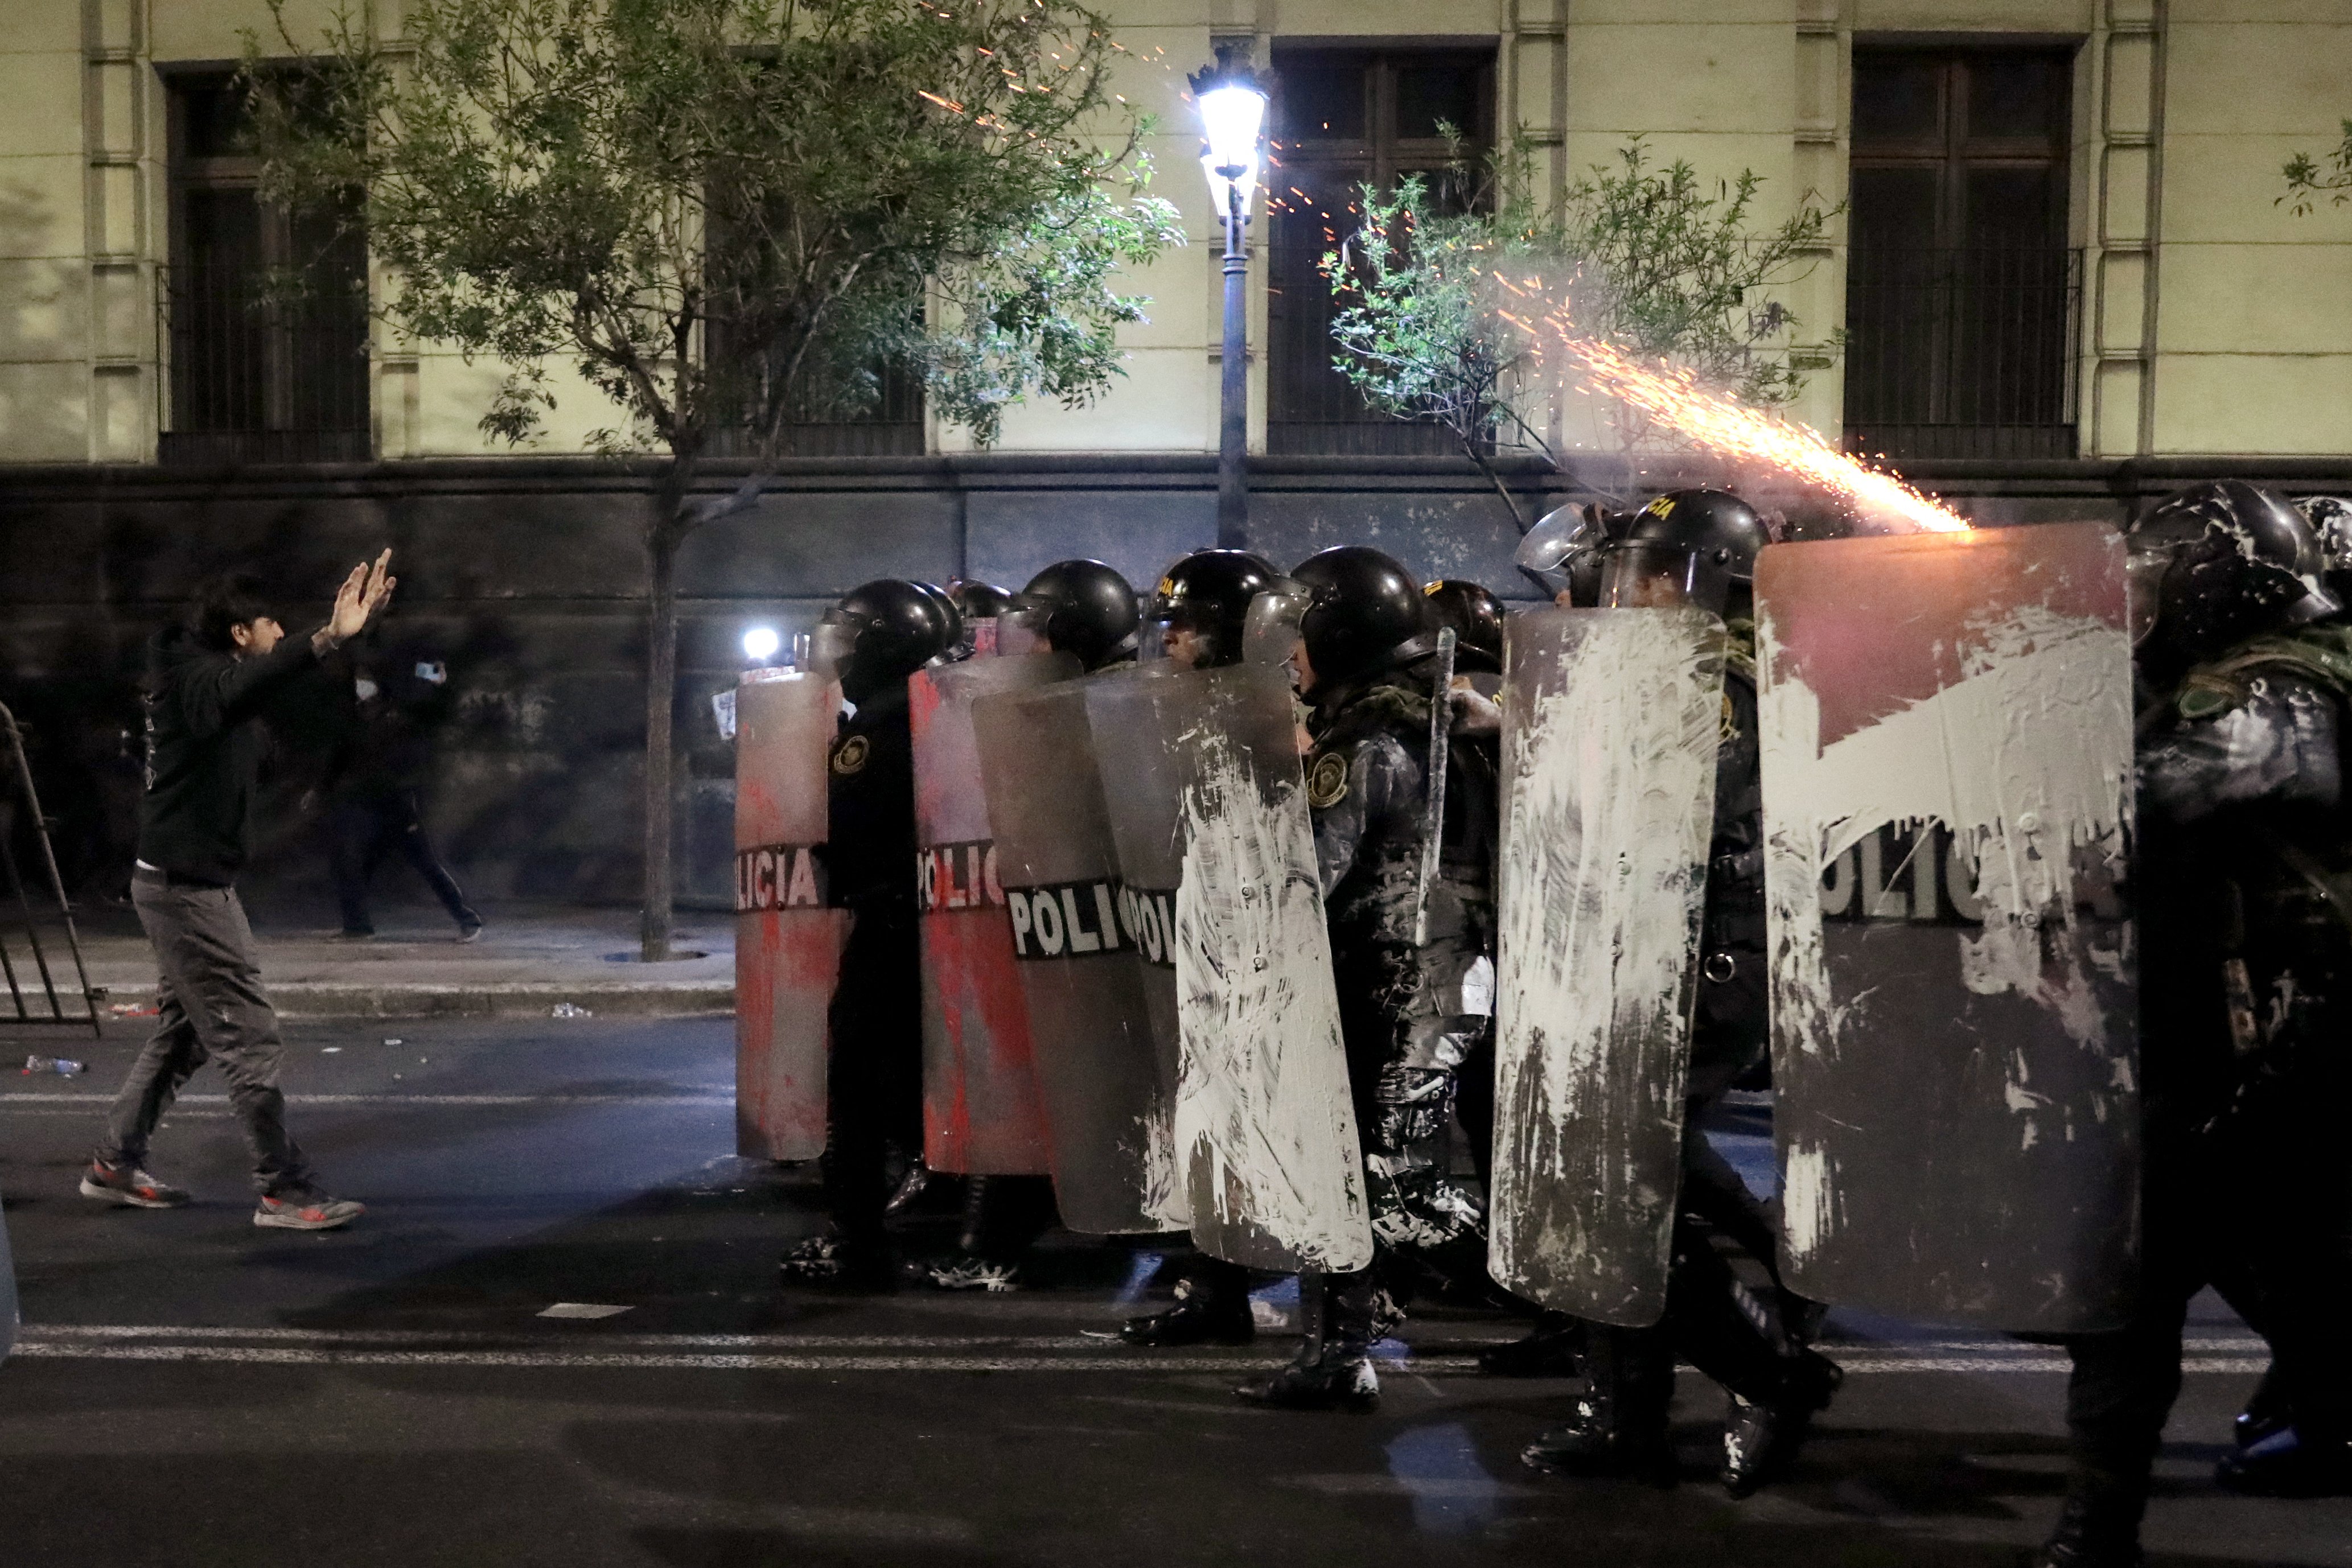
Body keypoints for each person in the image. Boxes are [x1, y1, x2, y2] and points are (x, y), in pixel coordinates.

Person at [2039, 480, 2352, 1567]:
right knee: (2189, 1272)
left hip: (2292, 1050)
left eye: (2153, 578)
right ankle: (2100, 1526)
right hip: (2228, 1044)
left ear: (2211, 581)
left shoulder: (2279, 688)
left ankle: (2099, 1531)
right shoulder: (2209, 681)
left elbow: (2206, 780)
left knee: (2188, 1274)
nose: (2136, 600)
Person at [1513, 490, 1840, 1495]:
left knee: (1611, 1174)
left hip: (1703, 959)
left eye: (1651, 575)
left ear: (1699, 583)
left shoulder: (1722, 685)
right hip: (1631, 951)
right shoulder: (1669, 676)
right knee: (1601, 1178)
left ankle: (1769, 1370)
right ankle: (1627, 1416)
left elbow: (1667, 818)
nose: (1632, 594)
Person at [1230, 545, 1496, 1411]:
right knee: (1371, 1171)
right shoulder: (1435, 724)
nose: (1293, 652)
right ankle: (1342, 1344)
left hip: (1382, 986)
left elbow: (1310, 867)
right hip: (1440, 977)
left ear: (1343, 635)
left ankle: (1515, 1277)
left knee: (1365, 1177)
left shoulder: (1364, 744)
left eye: (1303, 633)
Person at [81, 554, 395, 1230]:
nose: (280, 631)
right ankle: (284, 1189)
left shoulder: (218, 680)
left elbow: (276, 693)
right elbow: (242, 689)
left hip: (189, 881)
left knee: (184, 1034)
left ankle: (114, 1163)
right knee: (249, 1037)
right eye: (269, 622)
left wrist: (351, 639)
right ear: (237, 634)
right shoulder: (194, 683)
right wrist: (327, 636)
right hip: (185, 890)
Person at [1116, 549, 1291, 1344]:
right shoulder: (1195, 708)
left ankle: (1331, 1317)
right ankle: (1217, 1287)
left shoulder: (1271, 712)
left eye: (1187, 624)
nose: (1174, 640)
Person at [779, 579, 960, 1289]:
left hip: (888, 924)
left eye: (851, 638)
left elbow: (850, 834)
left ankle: (857, 1241)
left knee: (856, 1084)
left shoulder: (876, 731)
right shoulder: (933, 716)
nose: (837, 652)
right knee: (908, 1078)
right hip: (930, 927)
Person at [320, 647, 482, 941]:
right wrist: (319, 789)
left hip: (397, 805)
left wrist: (435, 678)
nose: (361, 686)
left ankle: (468, 920)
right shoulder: (353, 719)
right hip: (367, 804)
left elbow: (427, 690)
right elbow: (339, 758)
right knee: (351, 862)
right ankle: (357, 926)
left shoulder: (399, 715)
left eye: (366, 680)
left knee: (425, 863)